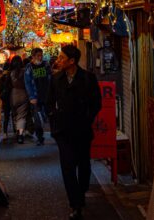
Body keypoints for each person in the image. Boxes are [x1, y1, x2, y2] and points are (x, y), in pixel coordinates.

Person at [46, 45, 102, 220]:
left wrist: (88, 118)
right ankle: (75, 204)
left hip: (82, 129)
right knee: (67, 167)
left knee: (84, 165)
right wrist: (53, 117)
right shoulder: (56, 79)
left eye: (62, 58)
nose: (58, 60)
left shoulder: (88, 78)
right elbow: (49, 102)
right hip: (63, 130)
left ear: (72, 61)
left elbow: (96, 103)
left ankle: (82, 192)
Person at [24, 48, 51, 145]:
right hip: (35, 96)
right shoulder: (29, 67)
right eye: (38, 55)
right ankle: (40, 137)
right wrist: (31, 96)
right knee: (37, 119)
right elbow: (27, 83)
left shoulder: (46, 64)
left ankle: (55, 134)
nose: (40, 57)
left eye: (41, 55)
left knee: (50, 115)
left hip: (46, 94)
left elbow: (50, 78)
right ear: (33, 56)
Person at [9, 55, 29, 144]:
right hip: (23, 94)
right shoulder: (25, 72)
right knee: (22, 116)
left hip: (13, 95)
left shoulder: (11, 73)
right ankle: (20, 134)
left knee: (15, 115)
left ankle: (16, 131)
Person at [0, 62, 14, 139]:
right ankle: (16, 132)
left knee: (6, 117)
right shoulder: (11, 76)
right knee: (14, 116)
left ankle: (5, 133)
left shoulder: (2, 78)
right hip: (12, 98)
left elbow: (0, 89)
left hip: (5, 99)